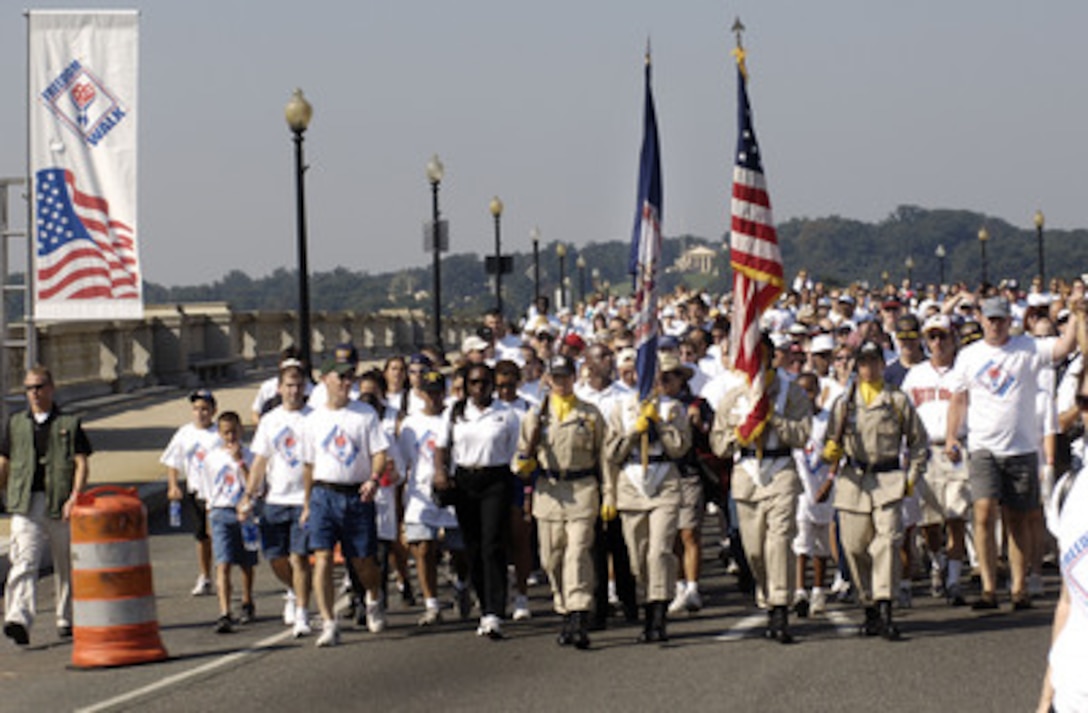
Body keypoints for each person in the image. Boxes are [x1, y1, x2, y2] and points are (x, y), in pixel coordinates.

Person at [945, 294, 1082, 610]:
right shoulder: (969, 355)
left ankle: (1019, 588)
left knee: (1018, 519)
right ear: (981, 320)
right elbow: (959, 399)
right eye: (990, 319)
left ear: (1010, 321)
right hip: (983, 445)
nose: (995, 325)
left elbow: (1064, 348)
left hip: (1020, 447)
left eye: (1001, 319)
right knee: (982, 511)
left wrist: (1075, 314)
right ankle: (989, 587)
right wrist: (953, 435)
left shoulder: (1027, 348)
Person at [823, 341, 928, 640]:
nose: (868, 368)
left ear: (883, 364)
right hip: (854, 480)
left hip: (888, 479)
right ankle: (869, 603)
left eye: (874, 362)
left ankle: (885, 608)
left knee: (887, 544)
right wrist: (830, 450)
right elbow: (830, 442)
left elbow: (918, 442)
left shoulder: (896, 400)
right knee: (854, 547)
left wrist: (912, 476)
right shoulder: (844, 403)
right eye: (863, 362)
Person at [711, 337, 812, 643]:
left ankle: (780, 608)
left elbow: (802, 434)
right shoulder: (733, 398)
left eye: (763, 357)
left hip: (780, 470)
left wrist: (774, 418)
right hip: (747, 475)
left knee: (779, 542)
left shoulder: (790, 393)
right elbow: (719, 444)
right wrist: (742, 431)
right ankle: (769, 595)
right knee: (755, 550)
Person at [517, 355, 608, 649]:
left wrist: (610, 493)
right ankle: (565, 606)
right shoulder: (536, 416)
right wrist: (523, 465)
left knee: (577, 552)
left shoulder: (590, 414)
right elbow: (520, 456)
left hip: (581, 488)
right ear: (548, 380)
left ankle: (579, 614)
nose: (561, 383)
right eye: (556, 378)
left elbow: (603, 457)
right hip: (549, 491)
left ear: (574, 378)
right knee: (552, 557)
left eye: (566, 377)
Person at [300, 358, 391, 647]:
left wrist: (374, 478)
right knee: (323, 557)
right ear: (325, 379)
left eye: (349, 378)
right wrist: (306, 503)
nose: (345, 383)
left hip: (356, 494)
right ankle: (329, 621)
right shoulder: (312, 419)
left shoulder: (364, 414)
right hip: (323, 494)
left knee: (363, 560)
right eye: (339, 378)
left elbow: (379, 453)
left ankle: (373, 597)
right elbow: (308, 466)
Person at [605, 354, 693, 643]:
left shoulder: (673, 408)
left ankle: (658, 614)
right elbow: (612, 453)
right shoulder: (621, 408)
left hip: (663, 479)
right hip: (631, 482)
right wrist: (634, 432)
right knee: (638, 556)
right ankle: (647, 600)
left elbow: (680, 448)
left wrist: (660, 425)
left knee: (660, 551)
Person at [1, 365, 92, 645]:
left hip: (59, 500)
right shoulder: (16, 423)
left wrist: (76, 495)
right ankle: (19, 618)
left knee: (64, 560)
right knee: (24, 560)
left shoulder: (68, 423)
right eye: (29, 388)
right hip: (25, 500)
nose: (34, 393)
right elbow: (4, 460)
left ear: (51, 388)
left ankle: (65, 616)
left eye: (39, 387)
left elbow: (81, 462)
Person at [434, 362, 521, 640]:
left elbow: (513, 451)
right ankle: (484, 606)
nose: (479, 387)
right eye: (474, 382)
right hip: (465, 480)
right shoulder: (455, 413)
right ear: (466, 385)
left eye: (484, 382)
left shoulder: (505, 414)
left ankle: (496, 610)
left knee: (492, 542)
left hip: (495, 478)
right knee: (472, 545)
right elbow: (442, 447)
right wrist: (440, 474)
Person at [900, 314, 970, 606]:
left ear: (953, 338)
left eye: (942, 336)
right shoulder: (916, 375)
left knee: (955, 515)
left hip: (955, 450)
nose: (937, 342)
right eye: (932, 337)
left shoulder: (963, 372)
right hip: (924, 450)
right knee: (929, 521)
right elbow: (904, 413)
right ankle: (938, 561)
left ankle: (953, 579)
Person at [241, 361, 314, 637]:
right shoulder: (270, 420)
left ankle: (303, 614)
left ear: (304, 388)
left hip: (303, 500)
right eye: (289, 386)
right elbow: (260, 461)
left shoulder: (314, 417)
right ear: (280, 388)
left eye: (298, 386)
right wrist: (248, 495)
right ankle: (293, 590)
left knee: (300, 558)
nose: (293, 391)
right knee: (275, 557)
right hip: (275, 498)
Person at [399, 370, 469, 626]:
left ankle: (462, 584)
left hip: (453, 491)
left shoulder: (456, 418)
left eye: (438, 392)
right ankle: (432, 604)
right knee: (423, 548)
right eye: (429, 393)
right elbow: (403, 463)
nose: (434, 398)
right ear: (421, 394)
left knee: (460, 550)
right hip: (421, 495)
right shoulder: (410, 424)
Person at [1036, 370, 1088, 713]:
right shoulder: (1070, 488)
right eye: (1085, 402)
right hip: (1071, 691)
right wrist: (1045, 700)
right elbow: (1068, 603)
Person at [162, 388, 222, 596]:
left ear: (213, 411)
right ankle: (205, 576)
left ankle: (222, 572)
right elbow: (173, 462)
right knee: (201, 536)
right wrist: (173, 485)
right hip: (196, 491)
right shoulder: (185, 433)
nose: (200, 413)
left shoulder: (219, 434)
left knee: (216, 533)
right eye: (196, 409)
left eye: (205, 409)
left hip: (217, 493)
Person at [205, 412, 257, 634]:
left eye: (234, 431)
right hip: (221, 512)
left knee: (246, 562)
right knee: (223, 563)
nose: (230, 436)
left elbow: (254, 485)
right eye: (226, 432)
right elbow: (207, 489)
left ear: (241, 430)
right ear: (219, 433)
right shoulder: (211, 458)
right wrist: (210, 513)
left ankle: (247, 599)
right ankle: (225, 612)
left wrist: (240, 462)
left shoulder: (252, 455)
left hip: (245, 512)